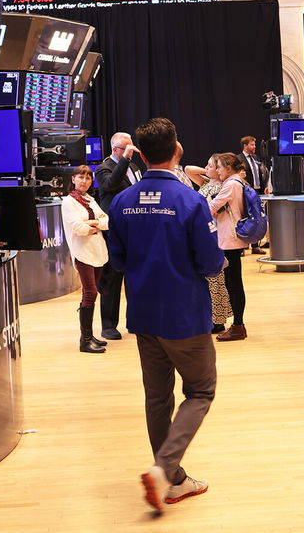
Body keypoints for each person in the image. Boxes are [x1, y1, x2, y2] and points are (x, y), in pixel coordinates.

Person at [106, 118, 223, 514]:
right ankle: (164, 470)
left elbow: (116, 261)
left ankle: (172, 481)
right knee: (201, 391)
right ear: (177, 151)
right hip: (184, 316)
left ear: (140, 153)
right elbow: (210, 263)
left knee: (157, 398)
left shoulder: (121, 202)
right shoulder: (191, 202)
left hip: (142, 313)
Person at [95, 131, 146, 339]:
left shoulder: (134, 167)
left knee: (135, 277)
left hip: (134, 228)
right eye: (127, 148)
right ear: (116, 149)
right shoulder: (103, 168)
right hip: (114, 229)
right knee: (112, 277)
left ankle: (135, 320)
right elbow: (111, 184)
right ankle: (108, 325)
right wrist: (125, 159)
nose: (132, 151)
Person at [60, 165, 110, 354]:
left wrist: (94, 223)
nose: (84, 181)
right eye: (81, 177)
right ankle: (85, 340)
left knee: (92, 293)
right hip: (82, 253)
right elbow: (79, 228)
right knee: (90, 293)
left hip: (97, 251)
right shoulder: (68, 202)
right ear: (73, 179)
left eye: (88, 178)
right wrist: (94, 224)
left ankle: (88, 334)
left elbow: (107, 222)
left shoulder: (90, 200)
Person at [208, 152, 251, 341]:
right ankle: (237, 325)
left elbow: (211, 208)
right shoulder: (237, 183)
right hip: (232, 238)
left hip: (230, 239)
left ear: (228, 168)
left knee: (234, 283)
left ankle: (238, 326)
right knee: (232, 282)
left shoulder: (232, 184)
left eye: (219, 167)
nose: (217, 171)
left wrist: (208, 199)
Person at [194, 155, 232, 334]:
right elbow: (188, 170)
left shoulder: (221, 188)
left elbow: (214, 213)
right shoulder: (206, 185)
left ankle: (218, 320)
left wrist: (215, 174)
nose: (206, 167)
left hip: (214, 236)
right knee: (209, 280)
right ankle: (211, 317)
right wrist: (209, 172)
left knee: (216, 280)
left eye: (210, 166)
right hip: (204, 235)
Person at [239, 136, 269, 255]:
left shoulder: (256, 158)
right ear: (245, 146)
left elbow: (261, 173)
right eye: (252, 145)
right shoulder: (239, 159)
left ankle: (255, 246)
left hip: (257, 191)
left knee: (257, 217)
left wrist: (265, 186)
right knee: (245, 217)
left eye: (254, 144)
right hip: (246, 191)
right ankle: (241, 247)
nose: (254, 147)